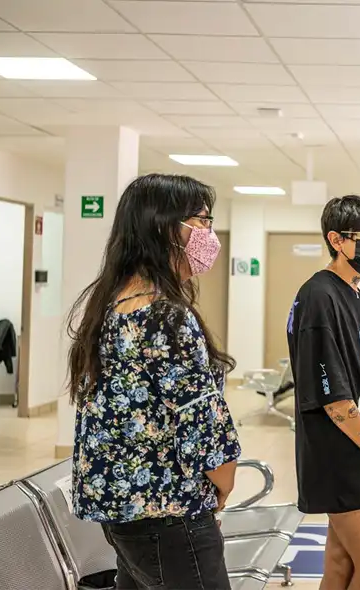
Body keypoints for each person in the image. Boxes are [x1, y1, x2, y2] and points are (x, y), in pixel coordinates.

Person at [67, 173, 240, 590]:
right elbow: (201, 419)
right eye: (201, 221)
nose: (208, 234)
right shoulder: (167, 316)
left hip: (127, 513)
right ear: (165, 227)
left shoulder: (110, 306)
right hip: (171, 515)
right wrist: (225, 479)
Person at [287, 194, 360, 589]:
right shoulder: (319, 296)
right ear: (336, 240)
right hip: (338, 449)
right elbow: (332, 394)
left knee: (341, 563)